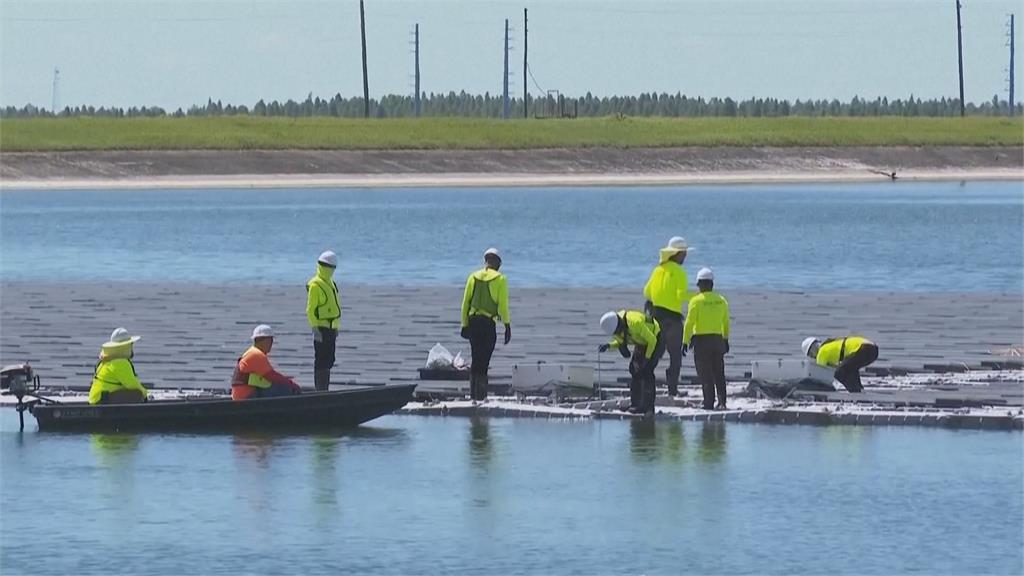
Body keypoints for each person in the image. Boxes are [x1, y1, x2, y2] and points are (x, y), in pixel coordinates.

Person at [643, 236, 693, 397]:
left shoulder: (657, 270)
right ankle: (672, 389)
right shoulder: (679, 272)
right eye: (684, 253)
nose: (685, 256)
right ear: (677, 254)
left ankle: (644, 385)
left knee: (654, 354)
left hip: (656, 318)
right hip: (673, 320)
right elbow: (680, 295)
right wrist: (697, 296)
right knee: (675, 356)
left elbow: (647, 292)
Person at [460, 248, 511, 401]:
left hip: (473, 322)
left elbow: (465, 303)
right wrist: (507, 326)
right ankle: (481, 397)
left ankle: (473, 397)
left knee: (475, 358)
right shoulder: (501, 279)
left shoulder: (473, 277)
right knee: (484, 360)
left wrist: (464, 324)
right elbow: (502, 306)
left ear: (486, 261)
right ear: (497, 263)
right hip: (488, 323)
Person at [599, 309, 663, 415]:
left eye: (618, 331)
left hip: (655, 338)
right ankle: (635, 404)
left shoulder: (635, 323)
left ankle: (648, 408)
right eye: (616, 333)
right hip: (641, 342)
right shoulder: (616, 329)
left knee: (646, 372)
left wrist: (647, 359)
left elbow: (652, 340)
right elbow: (620, 341)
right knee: (634, 370)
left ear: (620, 324)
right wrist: (609, 346)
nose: (618, 334)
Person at [683, 268, 730, 410]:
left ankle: (708, 403)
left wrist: (685, 341)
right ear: (712, 284)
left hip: (702, 341)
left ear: (699, 284)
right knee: (719, 373)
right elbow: (726, 322)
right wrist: (726, 339)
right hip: (717, 340)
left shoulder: (696, 301)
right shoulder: (721, 300)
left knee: (706, 374)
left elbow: (689, 322)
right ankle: (722, 403)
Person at [231, 324, 302, 400]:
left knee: (281, 386)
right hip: (247, 396)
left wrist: (285, 380)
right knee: (287, 390)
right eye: (269, 340)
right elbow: (271, 376)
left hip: (244, 395)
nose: (271, 343)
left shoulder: (252, 353)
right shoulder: (256, 354)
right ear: (259, 340)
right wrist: (291, 384)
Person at [307, 250, 341, 391]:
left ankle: (324, 387)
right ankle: (321, 389)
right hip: (321, 328)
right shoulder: (315, 284)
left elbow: (335, 306)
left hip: (331, 328)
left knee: (329, 360)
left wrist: (336, 327)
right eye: (329, 267)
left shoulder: (331, 283)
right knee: (321, 360)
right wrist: (315, 328)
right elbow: (310, 309)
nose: (331, 270)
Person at [89, 327, 148, 405]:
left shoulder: (108, 359)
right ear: (125, 346)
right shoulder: (120, 362)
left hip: (97, 399)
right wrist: (145, 394)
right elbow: (132, 384)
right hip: (102, 402)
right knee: (137, 394)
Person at [801, 336, 879, 393]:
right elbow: (835, 367)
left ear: (813, 350)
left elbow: (820, 374)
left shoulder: (822, 352)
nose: (814, 357)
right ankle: (859, 389)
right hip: (872, 349)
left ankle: (855, 392)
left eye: (811, 354)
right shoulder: (830, 345)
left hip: (864, 349)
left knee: (839, 373)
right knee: (850, 369)